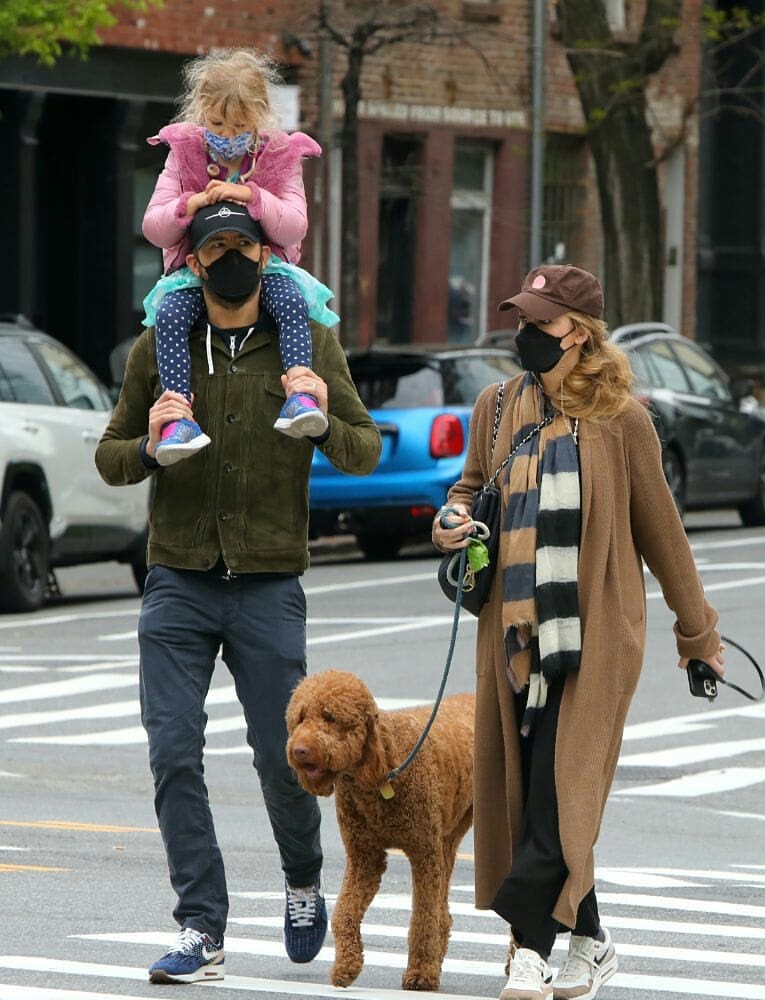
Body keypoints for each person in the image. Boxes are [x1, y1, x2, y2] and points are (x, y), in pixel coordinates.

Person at [95, 201, 381, 985]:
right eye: (214, 244)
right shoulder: (162, 347)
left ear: (265, 258)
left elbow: (364, 448)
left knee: (284, 754)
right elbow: (111, 458)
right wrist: (152, 445)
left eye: (241, 245)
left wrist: (320, 420)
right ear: (192, 259)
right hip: (179, 581)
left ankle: (300, 880)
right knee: (173, 751)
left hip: (267, 583)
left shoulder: (307, 342)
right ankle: (201, 926)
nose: (229, 257)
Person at [431, 264, 725, 1000]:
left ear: (580, 334)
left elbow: (665, 537)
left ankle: (527, 945)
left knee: (562, 792)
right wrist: (451, 520)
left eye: (541, 323)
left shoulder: (623, 420)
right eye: (522, 321)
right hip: (515, 630)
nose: (526, 334)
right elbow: (469, 491)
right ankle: (590, 942)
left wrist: (699, 638)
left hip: (597, 638)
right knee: (532, 788)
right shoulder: (497, 407)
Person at [141, 48, 340, 465]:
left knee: (290, 304)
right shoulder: (183, 154)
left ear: (260, 117)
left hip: (265, 270)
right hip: (197, 273)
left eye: (239, 126)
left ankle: (300, 394)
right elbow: (154, 227)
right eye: (216, 124)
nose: (226, 136)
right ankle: (179, 416)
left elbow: (294, 226)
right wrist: (189, 204)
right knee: (172, 316)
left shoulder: (280, 157)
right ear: (201, 113)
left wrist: (252, 195)